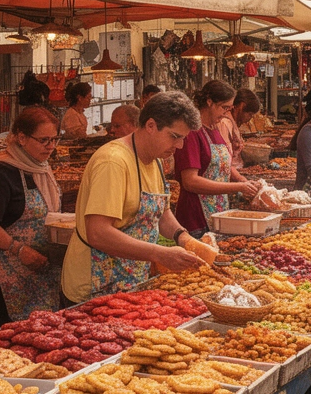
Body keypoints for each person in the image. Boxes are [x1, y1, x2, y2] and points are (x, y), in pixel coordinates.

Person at [62, 92, 216, 304]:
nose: (179, 146)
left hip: (130, 278)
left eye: (183, 138)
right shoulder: (113, 162)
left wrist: (183, 237)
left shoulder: (155, 159)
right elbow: (98, 233)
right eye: (174, 136)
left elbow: (160, 210)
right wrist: (158, 254)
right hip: (95, 285)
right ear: (151, 125)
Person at [0, 107, 64, 325]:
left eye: (54, 139)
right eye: (44, 140)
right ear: (22, 137)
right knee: (14, 329)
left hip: (42, 263)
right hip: (9, 264)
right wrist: (19, 249)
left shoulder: (41, 167)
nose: (51, 146)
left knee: (45, 328)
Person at [175, 81, 260, 234]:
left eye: (229, 109)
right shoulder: (192, 133)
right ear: (209, 102)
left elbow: (223, 165)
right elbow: (190, 181)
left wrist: (243, 181)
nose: (226, 113)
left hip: (219, 211)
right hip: (196, 216)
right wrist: (237, 188)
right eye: (224, 108)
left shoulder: (215, 129)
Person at [217, 88, 262, 158]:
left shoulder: (232, 122)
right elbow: (224, 155)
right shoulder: (225, 123)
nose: (250, 118)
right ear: (241, 106)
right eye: (250, 114)